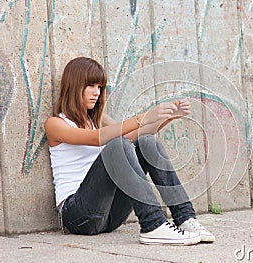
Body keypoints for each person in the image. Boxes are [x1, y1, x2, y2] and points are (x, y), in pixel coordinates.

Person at [44, 57, 215, 245]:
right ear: (74, 85)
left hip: (109, 217)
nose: (97, 92)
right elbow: (95, 139)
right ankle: (153, 225)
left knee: (146, 143)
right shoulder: (55, 124)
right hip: (77, 216)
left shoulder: (98, 120)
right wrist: (143, 117)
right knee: (118, 144)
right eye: (91, 85)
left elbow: (133, 135)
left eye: (100, 87)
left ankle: (185, 218)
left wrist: (168, 118)